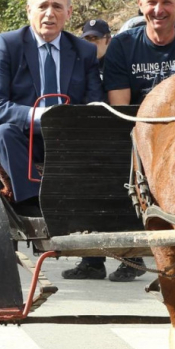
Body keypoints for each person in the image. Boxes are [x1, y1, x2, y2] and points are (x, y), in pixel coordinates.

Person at [66, 0, 175, 283]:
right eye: (152, 2)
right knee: (108, 170)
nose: (158, 9)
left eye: (166, 2)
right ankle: (112, 255)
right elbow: (121, 106)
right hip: (140, 134)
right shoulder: (123, 46)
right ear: (140, 5)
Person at [0, 0, 103, 219]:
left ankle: (101, 211)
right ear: (29, 11)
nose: (50, 14)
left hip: (67, 139)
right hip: (20, 139)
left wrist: (69, 121)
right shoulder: (7, 44)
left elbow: (95, 104)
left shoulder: (84, 51)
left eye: (57, 6)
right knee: (4, 132)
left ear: (68, 12)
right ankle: (32, 202)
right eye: (42, 6)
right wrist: (44, 116)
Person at [61, 18, 113, 280]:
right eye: (87, 39)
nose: (91, 44)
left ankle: (132, 257)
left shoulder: (116, 65)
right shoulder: (80, 64)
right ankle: (92, 261)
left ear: (107, 40)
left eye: (95, 38)